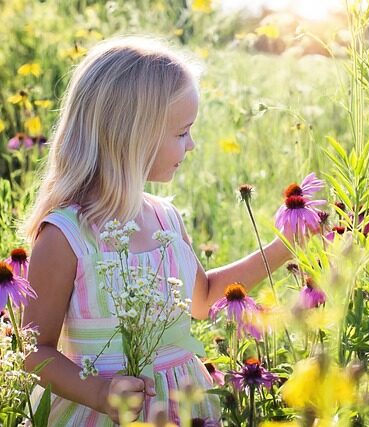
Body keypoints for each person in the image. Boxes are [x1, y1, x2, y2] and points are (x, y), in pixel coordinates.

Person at [22, 36, 292, 426]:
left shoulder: (166, 218)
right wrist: (99, 392)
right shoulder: (66, 236)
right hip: (100, 413)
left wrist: (284, 247)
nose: (192, 144)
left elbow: (203, 299)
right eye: (182, 132)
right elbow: (35, 351)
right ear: (132, 137)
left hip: (185, 406)